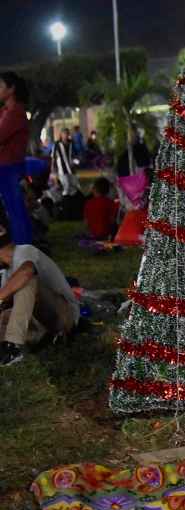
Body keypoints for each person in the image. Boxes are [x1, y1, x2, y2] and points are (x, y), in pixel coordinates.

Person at [0, 225, 80, 366]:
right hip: (40, 322)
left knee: (27, 281)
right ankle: (11, 346)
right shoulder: (6, 273)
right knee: (4, 313)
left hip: (64, 316)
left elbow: (26, 272)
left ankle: (13, 346)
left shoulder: (25, 251)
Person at [0, 71, 33, 245]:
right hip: (6, 166)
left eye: (0, 86)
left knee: (16, 210)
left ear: (11, 89)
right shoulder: (6, 111)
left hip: (9, 167)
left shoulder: (15, 112)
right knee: (13, 210)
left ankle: (24, 248)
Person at [51, 128, 79, 197]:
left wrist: (76, 162)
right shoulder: (57, 144)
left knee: (74, 184)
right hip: (62, 168)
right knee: (66, 185)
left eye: (67, 133)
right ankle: (65, 199)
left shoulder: (71, 143)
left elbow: (75, 154)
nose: (66, 135)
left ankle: (73, 199)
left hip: (71, 167)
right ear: (61, 135)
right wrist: (53, 168)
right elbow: (53, 157)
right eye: (64, 134)